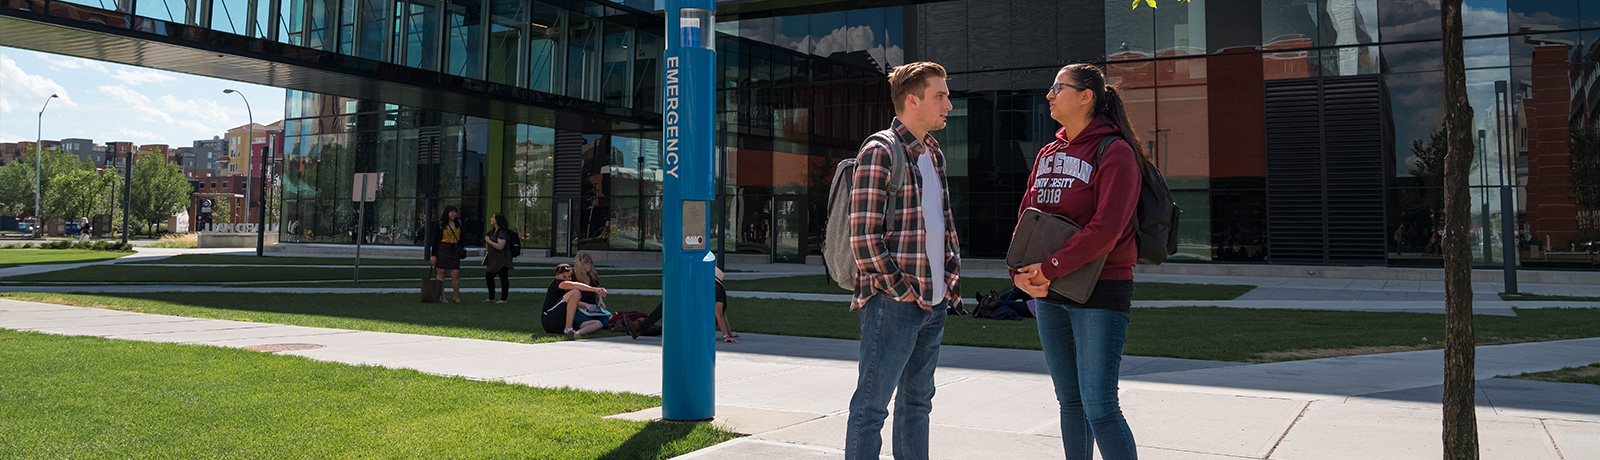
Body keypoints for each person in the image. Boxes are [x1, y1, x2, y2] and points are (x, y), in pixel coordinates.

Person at [1011, 63, 1143, 460]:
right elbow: (1027, 216)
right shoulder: (1048, 152)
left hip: (1101, 290)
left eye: (1058, 88)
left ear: (1086, 96)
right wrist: (1019, 273)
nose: (1049, 95)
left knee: (1100, 406)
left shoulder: (1116, 151)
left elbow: (1107, 230)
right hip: (1051, 293)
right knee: (1069, 402)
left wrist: (1049, 268)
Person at [844, 61, 962, 460]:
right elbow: (863, 238)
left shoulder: (933, 153)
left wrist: (944, 284)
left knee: (918, 405)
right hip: (893, 304)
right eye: (940, 95)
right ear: (913, 101)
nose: (949, 103)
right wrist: (901, 292)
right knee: (871, 408)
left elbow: (940, 224)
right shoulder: (880, 150)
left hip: (932, 302)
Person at [622, 268, 737, 342]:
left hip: (699, 329)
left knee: (667, 311)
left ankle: (636, 328)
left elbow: (720, 315)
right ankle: (634, 329)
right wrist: (729, 332)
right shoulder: (716, 291)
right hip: (698, 327)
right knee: (668, 326)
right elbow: (724, 314)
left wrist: (726, 336)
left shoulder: (716, 292)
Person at [540, 263, 609, 338]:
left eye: (569, 276)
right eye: (564, 277)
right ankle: (568, 329)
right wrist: (595, 290)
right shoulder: (557, 283)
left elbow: (572, 303)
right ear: (557, 277)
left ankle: (575, 334)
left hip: (562, 322)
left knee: (598, 324)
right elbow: (574, 285)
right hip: (550, 319)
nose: (567, 279)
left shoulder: (568, 290)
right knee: (576, 292)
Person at [427, 205, 465, 303]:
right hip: (442, 250)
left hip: (454, 250)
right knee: (441, 274)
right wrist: (433, 255)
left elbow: (462, 238)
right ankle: (442, 296)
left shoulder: (459, 223)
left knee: (455, 274)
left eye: (455, 212)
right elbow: (435, 241)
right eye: (452, 212)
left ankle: (456, 296)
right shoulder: (440, 224)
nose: (454, 214)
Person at [481, 213, 513, 303]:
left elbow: (500, 246)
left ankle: (503, 298)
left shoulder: (502, 232)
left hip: (502, 259)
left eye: (493, 218)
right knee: (489, 276)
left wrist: (489, 241)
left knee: (503, 277)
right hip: (493, 259)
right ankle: (491, 297)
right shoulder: (493, 231)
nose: (491, 219)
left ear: (497, 220)